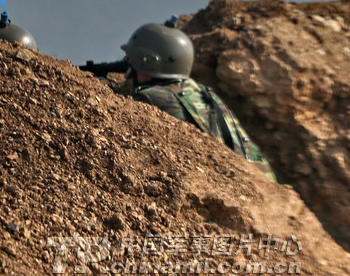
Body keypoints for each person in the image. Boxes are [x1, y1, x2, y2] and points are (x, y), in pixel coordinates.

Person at [117, 22, 277, 182]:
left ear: (149, 61)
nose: (129, 67)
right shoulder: (201, 92)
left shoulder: (151, 98)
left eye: (133, 61)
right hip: (261, 181)